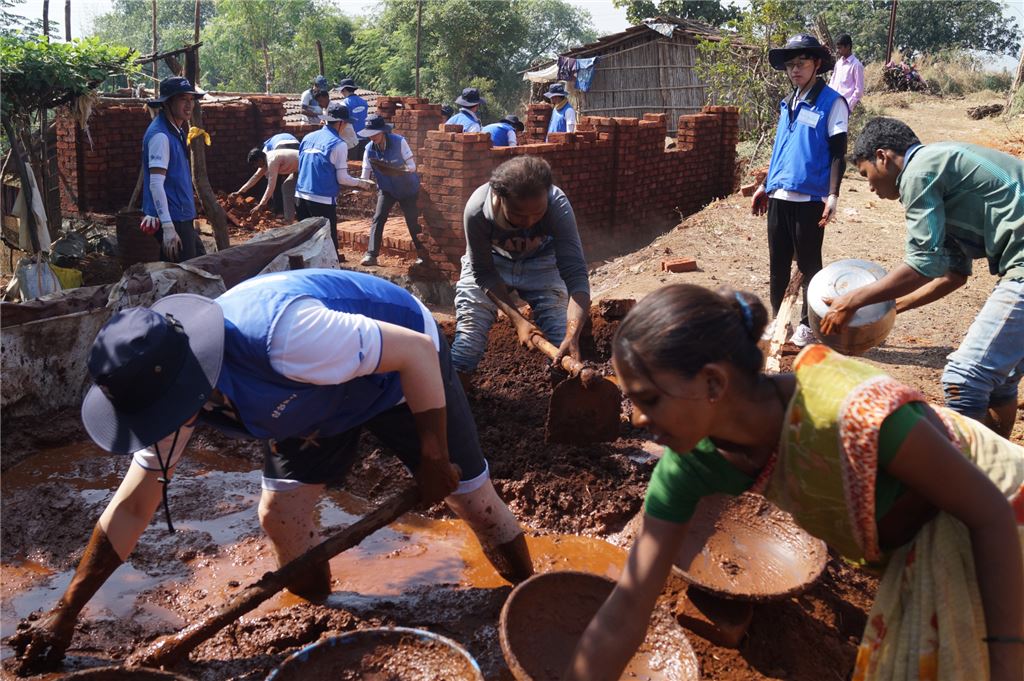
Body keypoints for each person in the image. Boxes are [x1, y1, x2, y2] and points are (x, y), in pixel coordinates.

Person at [9, 268, 535, 676]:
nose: (159, 426)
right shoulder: (166, 389)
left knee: (471, 497)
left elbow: (416, 353)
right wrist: (68, 611)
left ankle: (530, 602)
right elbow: (132, 505)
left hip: (398, 369)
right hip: (307, 399)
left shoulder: (284, 336)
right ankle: (326, 617)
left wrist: (434, 457)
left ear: (187, 385)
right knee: (280, 514)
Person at [565, 283, 1023, 681]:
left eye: (648, 398)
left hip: (999, 528)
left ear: (712, 384)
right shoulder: (689, 464)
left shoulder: (849, 413)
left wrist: (1006, 662)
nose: (638, 418)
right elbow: (628, 607)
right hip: (914, 553)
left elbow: (988, 514)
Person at [821, 117, 1024, 438]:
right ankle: (1003, 479)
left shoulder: (920, 170)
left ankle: (965, 483)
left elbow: (922, 264)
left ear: (883, 157)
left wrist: (854, 299)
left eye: (866, 175)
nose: (870, 188)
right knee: (1001, 378)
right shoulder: (941, 171)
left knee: (963, 378)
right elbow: (953, 275)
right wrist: (890, 308)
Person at [450, 156, 590, 387]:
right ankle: (454, 407)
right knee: (467, 345)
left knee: (560, 344)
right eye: (518, 214)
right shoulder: (477, 211)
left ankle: (561, 412)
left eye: (537, 213)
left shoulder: (558, 206)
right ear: (499, 198)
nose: (529, 221)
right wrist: (518, 321)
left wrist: (572, 333)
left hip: (543, 263)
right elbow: (483, 273)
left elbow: (575, 273)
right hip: (492, 263)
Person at [751, 34, 848, 347]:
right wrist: (765, 185)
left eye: (802, 63)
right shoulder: (788, 102)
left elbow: (837, 153)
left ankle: (809, 324)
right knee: (777, 261)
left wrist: (832, 196)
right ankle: (780, 320)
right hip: (780, 194)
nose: (795, 69)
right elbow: (781, 148)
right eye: (790, 65)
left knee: (809, 263)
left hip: (809, 197)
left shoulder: (832, 102)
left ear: (816, 64)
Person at [138, 76, 208, 263]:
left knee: (197, 263)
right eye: (182, 99)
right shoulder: (160, 136)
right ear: (168, 102)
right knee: (182, 275)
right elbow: (155, 183)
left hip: (181, 215)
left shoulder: (176, 130)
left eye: (191, 100)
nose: (189, 105)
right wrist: (168, 227)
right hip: (173, 218)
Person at [295, 101, 375, 252]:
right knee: (327, 245)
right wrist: (362, 183)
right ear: (341, 123)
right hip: (321, 199)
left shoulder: (308, 137)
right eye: (345, 124)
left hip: (300, 196)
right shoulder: (338, 144)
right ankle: (331, 273)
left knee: (305, 243)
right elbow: (342, 179)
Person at [357, 115, 426, 268]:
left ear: (383, 131)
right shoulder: (368, 149)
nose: (372, 137)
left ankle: (423, 256)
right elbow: (365, 173)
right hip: (387, 189)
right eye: (369, 135)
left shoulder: (399, 142)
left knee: (412, 221)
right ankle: (371, 254)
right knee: (378, 217)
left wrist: (397, 171)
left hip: (407, 188)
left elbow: (412, 166)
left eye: (375, 133)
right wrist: (361, 186)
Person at [232, 133, 300, 221]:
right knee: (286, 187)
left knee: (295, 190)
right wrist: (239, 192)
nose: (256, 167)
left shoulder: (272, 160)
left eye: (255, 164)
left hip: (305, 167)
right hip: (296, 169)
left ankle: (296, 217)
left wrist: (261, 205)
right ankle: (289, 220)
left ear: (260, 159)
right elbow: (255, 177)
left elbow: (271, 185)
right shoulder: (266, 160)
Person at [828, 33, 865, 111]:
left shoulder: (856, 65)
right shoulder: (838, 63)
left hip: (845, 107)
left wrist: (848, 106)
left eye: (840, 48)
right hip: (833, 104)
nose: (838, 51)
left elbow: (859, 91)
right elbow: (832, 82)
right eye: (837, 48)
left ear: (848, 47)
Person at [338, 77, 369, 161]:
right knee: (362, 164)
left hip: (352, 140)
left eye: (341, 90)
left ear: (344, 90)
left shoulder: (344, 104)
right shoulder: (364, 102)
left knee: (352, 165)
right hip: (364, 137)